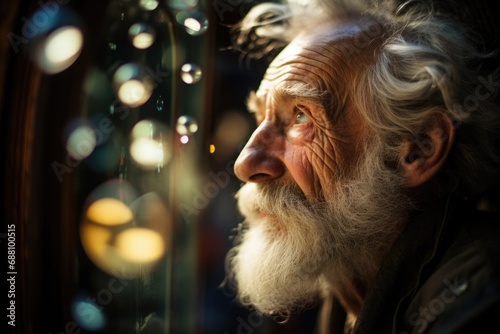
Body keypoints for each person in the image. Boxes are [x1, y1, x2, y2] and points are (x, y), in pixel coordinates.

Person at [223, 0, 500, 333]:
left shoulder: (481, 298)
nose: (246, 163)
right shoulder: (344, 293)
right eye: (260, 117)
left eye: (300, 117)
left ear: (418, 148)